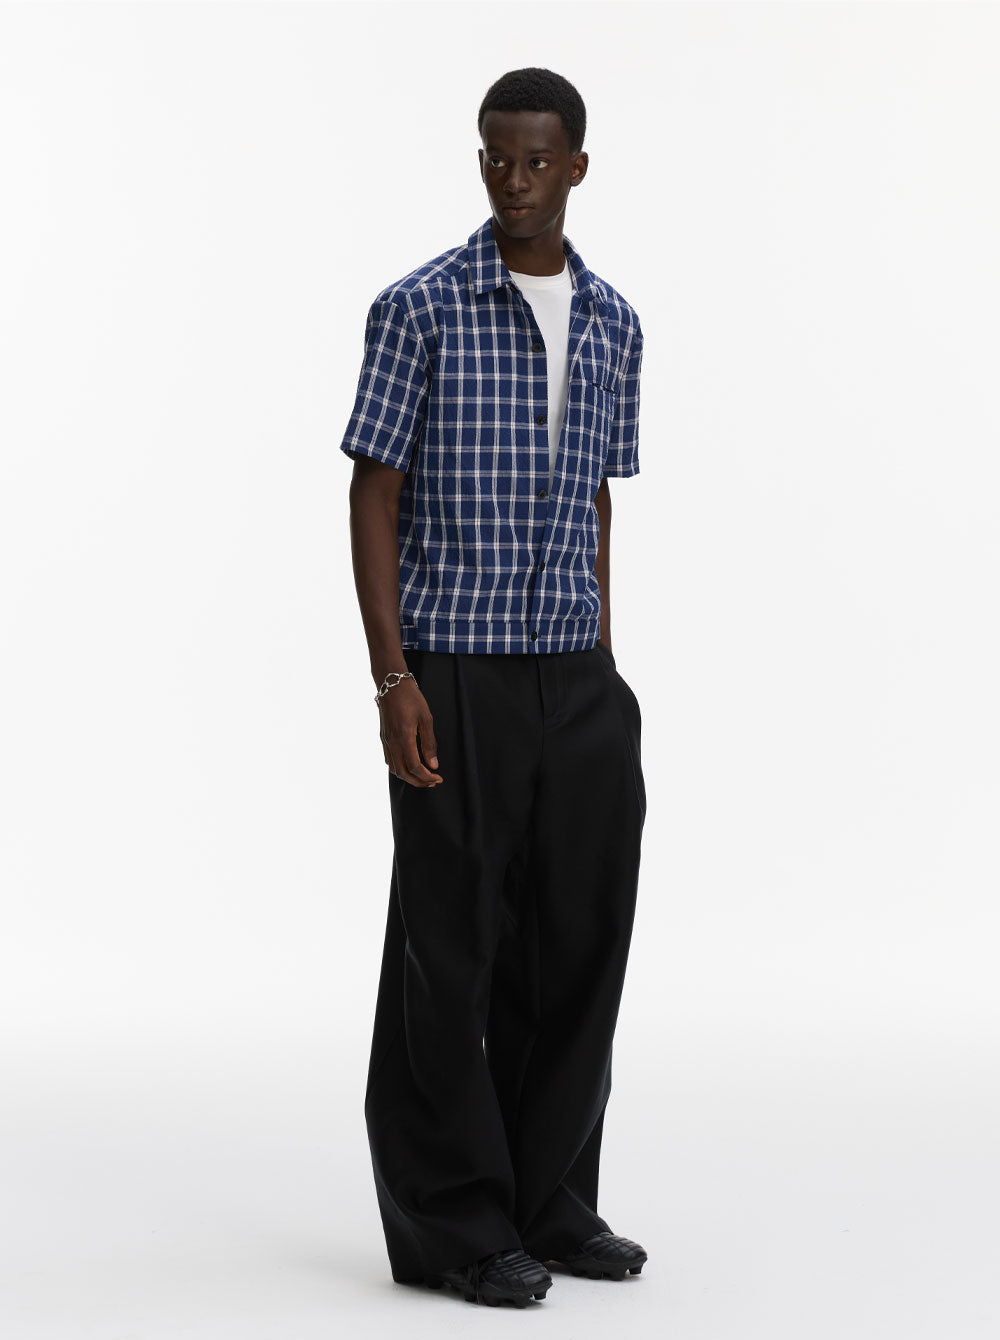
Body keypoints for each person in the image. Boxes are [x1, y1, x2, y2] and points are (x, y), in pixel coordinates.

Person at [339, 66, 648, 1309]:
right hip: (455, 668)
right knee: (448, 949)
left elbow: (597, 499)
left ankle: (549, 1200)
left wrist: (604, 665)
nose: (511, 182)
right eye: (493, 158)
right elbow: (373, 492)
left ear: (576, 167)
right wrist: (393, 675)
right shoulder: (420, 307)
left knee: (576, 940)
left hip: (577, 676)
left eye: (534, 161)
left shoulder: (615, 322)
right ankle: (454, 1224)